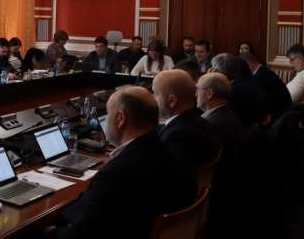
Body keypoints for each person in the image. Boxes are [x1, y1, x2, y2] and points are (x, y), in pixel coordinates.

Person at [49, 87, 196, 239]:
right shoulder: (174, 153)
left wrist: (49, 230)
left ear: (120, 119)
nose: (106, 120)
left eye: (108, 114)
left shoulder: (115, 174)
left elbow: (82, 233)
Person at [196, 73, 243, 239]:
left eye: (197, 89)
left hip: (215, 200)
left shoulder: (211, 125)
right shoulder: (226, 115)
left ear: (209, 93)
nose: (195, 94)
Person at [153, 70, 218, 168]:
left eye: (155, 93)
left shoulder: (177, 136)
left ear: (172, 101)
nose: (152, 98)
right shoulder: (201, 123)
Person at [211, 53, 269, 128]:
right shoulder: (244, 81)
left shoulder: (233, 89)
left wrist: (211, 80)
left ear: (217, 71)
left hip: (249, 131)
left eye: (212, 68)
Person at [241, 52, 292, 121]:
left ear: (248, 65)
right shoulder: (265, 71)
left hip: (278, 119)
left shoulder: (259, 77)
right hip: (283, 115)